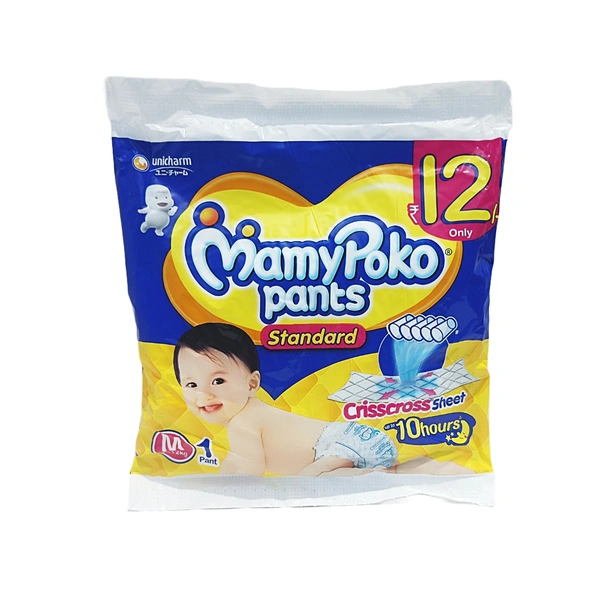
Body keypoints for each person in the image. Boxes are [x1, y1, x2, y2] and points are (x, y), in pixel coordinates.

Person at [174, 323, 472, 477]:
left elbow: (247, 473)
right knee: (332, 476)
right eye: (191, 384)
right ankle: (429, 467)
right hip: (354, 438)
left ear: (252, 383)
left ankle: (383, 475)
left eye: (218, 381)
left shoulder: (244, 422)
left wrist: (217, 490)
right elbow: (236, 462)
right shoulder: (252, 412)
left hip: (338, 443)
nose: (204, 394)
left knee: (311, 481)